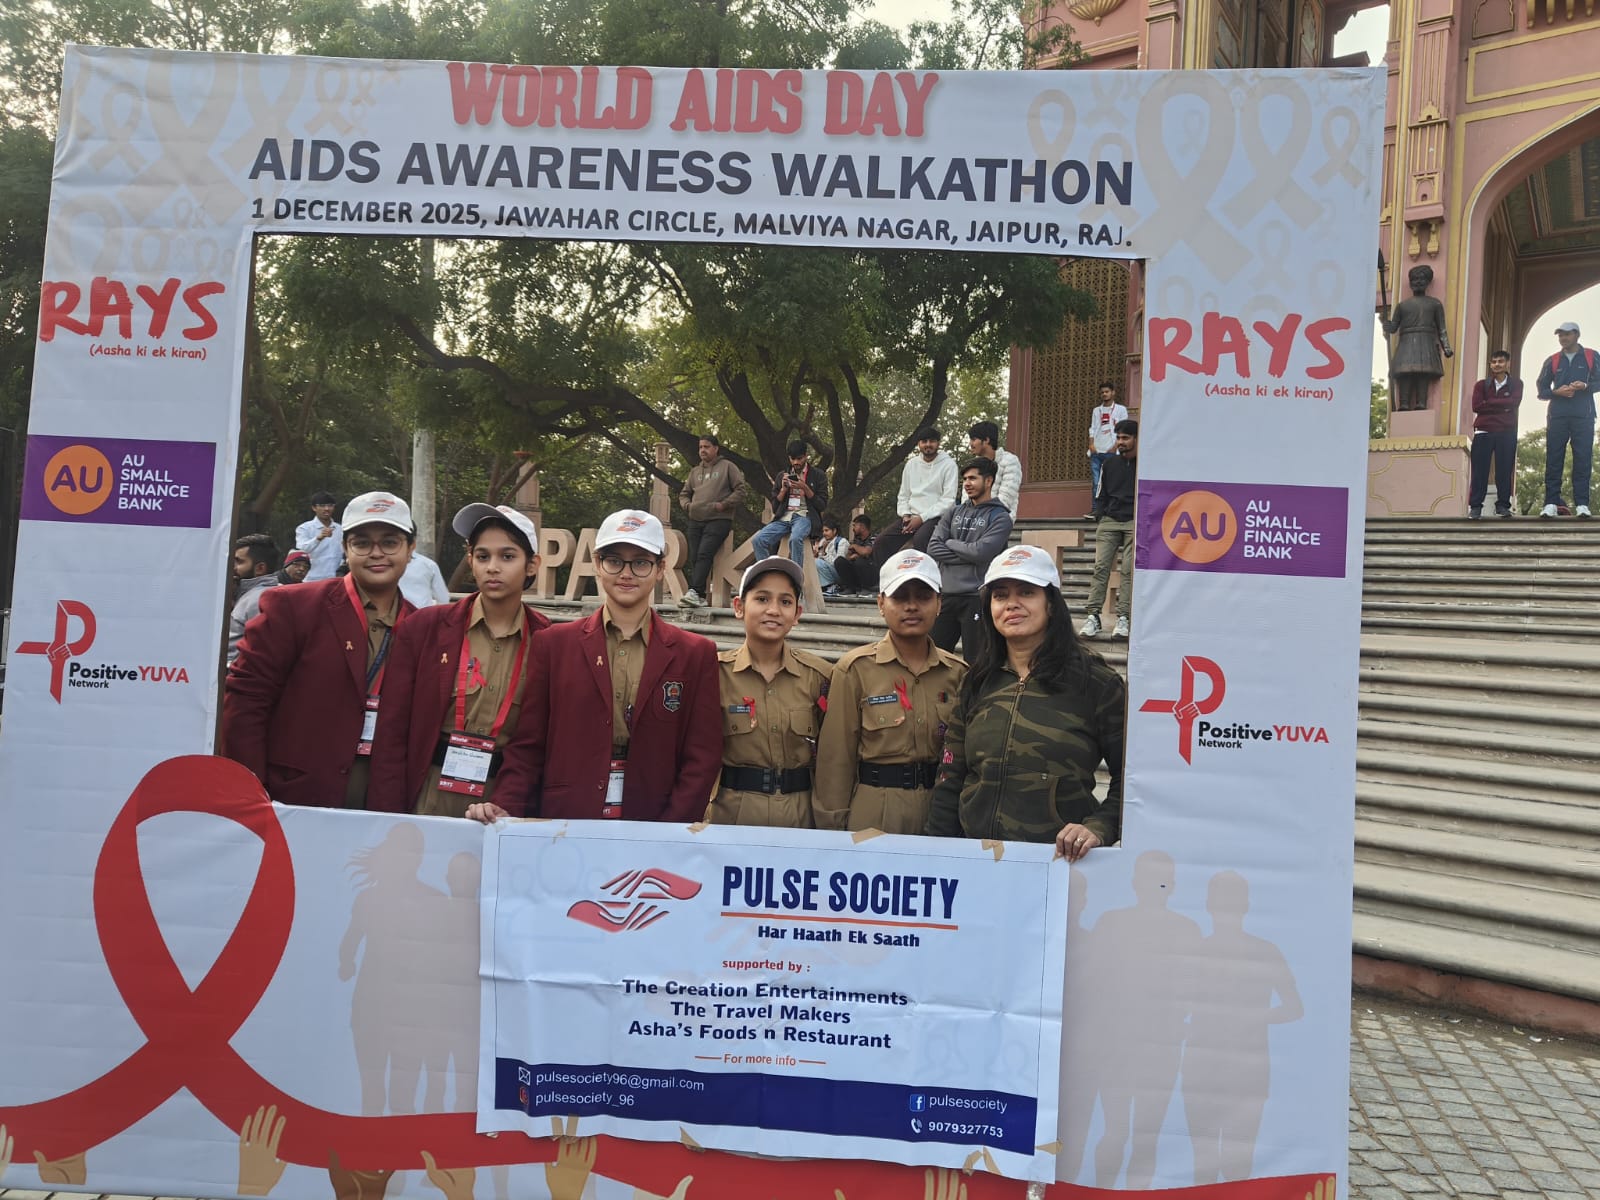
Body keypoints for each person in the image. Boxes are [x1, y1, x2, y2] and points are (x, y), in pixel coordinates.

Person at [473, 510, 721, 822]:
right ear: (597, 564)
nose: (626, 574)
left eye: (641, 563)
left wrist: (670, 831)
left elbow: (702, 757)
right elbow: (529, 745)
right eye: (614, 561)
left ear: (660, 569)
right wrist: (506, 805)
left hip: (653, 818)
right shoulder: (554, 645)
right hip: (567, 820)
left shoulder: (695, 653)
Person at [924, 544, 1123, 858]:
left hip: (1056, 865)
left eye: (1027, 592)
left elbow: (1132, 780)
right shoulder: (977, 681)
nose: (1011, 604)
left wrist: (1100, 827)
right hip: (976, 858)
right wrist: (935, 850)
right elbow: (951, 774)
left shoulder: (1096, 683)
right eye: (1000, 595)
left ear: (1051, 604)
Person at [223, 492, 418, 808]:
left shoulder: (422, 626)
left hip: (383, 807)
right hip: (294, 801)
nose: (376, 553)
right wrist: (251, 791)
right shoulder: (294, 606)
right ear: (345, 548)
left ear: (410, 549)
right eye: (362, 543)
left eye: (390, 542)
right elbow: (246, 701)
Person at [367, 504, 552, 817]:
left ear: (532, 565)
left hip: (499, 804)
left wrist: (506, 806)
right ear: (471, 561)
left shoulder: (547, 640)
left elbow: (534, 743)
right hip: (425, 796)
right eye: (483, 556)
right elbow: (392, 730)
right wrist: (389, 815)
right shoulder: (425, 628)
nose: (493, 567)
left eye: (507, 557)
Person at [812, 551, 966, 834]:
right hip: (875, 810)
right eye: (900, 597)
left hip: (940, 809)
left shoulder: (957, 673)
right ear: (881, 604)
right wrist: (832, 829)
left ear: (939, 604)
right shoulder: (855, 669)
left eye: (923, 597)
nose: (912, 606)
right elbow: (835, 759)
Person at [711, 556, 833, 827]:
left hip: (800, 813)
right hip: (732, 814)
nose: (774, 610)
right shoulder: (715, 674)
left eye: (785, 602)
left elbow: (834, 756)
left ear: (797, 614)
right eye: (762, 599)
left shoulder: (820, 677)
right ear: (739, 607)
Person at [928, 457, 1014, 654]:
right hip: (946, 594)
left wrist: (951, 543)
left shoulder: (1001, 518)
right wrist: (970, 554)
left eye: (973, 478)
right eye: (965, 479)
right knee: (933, 658)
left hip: (977, 597)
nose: (967, 483)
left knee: (976, 660)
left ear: (989, 481)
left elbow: (982, 552)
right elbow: (933, 547)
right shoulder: (952, 512)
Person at [678, 433, 750, 608]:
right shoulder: (695, 472)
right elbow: (684, 493)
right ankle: (700, 596)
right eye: (700, 447)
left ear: (716, 449)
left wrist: (724, 504)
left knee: (704, 553)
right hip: (696, 519)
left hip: (719, 519)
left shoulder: (727, 467)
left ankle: (694, 592)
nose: (702, 450)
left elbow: (741, 490)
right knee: (695, 556)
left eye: (706, 447)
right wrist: (688, 506)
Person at [1082, 419, 1137, 640]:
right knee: (1101, 568)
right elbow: (1101, 493)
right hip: (1109, 520)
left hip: (1134, 521)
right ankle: (1093, 616)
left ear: (1136, 439)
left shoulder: (1146, 464)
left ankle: (1123, 617)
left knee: (1128, 571)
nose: (1121, 442)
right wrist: (1100, 514)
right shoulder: (1110, 464)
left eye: (1126, 438)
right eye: (1119, 438)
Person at [871, 428, 959, 565]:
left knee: (921, 539)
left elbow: (948, 500)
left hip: (936, 517)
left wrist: (922, 518)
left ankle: (925, 576)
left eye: (932, 441)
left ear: (938, 443)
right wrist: (905, 515)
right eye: (924, 441)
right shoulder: (911, 464)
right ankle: (884, 576)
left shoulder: (949, 465)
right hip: (911, 516)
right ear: (919, 444)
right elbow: (904, 495)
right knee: (881, 541)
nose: (928, 444)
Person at [1536, 320, 1596, 518]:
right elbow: (1542, 390)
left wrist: (1585, 386)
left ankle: (1582, 504)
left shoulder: (1591, 356)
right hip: (1558, 416)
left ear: (1577, 335)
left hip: (1584, 416)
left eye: (1567, 334)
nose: (1563, 338)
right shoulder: (1552, 360)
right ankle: (1551, 503)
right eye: (1560, 335)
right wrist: (1556, 392)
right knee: (1554, 460)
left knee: (1583, 460)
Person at [1383, 264, 1452, 412]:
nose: (1418, 282)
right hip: (1407, 341)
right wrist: (1387, 325)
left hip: (1425, 340)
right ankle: (1404, 403)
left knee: (1423, 373)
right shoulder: (1402, 306)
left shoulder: (1435, 304)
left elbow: (1442, 328)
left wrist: (1446, 347)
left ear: (1427, 282)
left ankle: (1421, 402)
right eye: (1414, 279)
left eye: (1421, 279)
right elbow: (1393, 327)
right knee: (1405, 372)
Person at [228, 547, 311, 667]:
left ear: (260, 568)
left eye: (239, 562)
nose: (301, 569)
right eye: (297, 565)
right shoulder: (241, 592)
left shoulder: (265, 598)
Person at [751, 441, 828, 563]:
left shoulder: (818, 475)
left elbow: (822, 505)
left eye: (799, 458)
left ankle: (796, 574)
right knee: (758, 540)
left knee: (795, 539)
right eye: (793, 459)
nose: (796, 462)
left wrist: (805, 488)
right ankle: (768, 571)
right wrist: (783, 490)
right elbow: (775, 508)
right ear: (789, 458)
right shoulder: (782, 476)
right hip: (784, 517)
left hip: (804, 516)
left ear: (806, 456)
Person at [1467, 349, 1521, 520]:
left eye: (1501, 361)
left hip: (1506, 432)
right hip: (1483, 431)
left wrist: (1489, 403)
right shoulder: (1481, 385)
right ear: (1490, 364)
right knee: (1479, 471)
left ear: (1507, 364)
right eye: (1494, 362)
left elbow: (1514, 403)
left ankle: (1503, 506)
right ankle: (1475, 507)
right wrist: (1502, 406)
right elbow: (1476, 406)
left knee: (1504, 471)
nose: (1497, 364)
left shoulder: (1516, 384)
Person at [968, 420, 1022, 513]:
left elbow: (1006, 498)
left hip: (999, 518)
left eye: (973, 439)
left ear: (986, 440)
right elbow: (967, 498)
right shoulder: (973, 465)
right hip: (973, 518)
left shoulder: (1010, 461)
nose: (970, 444)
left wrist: (984, 516)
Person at [1088, 382, 1129, 501]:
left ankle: (1110, 508)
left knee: (1112, 482)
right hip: (1097, 451)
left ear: (1113, 392)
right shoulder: (1097, 410)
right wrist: (1091, 445)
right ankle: (1096, 509)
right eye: (1102, 392)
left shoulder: (1121, 410)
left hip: (1112, 452)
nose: (1104, 394)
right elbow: (1092, 428)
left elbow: (1123, 429)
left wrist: (1116, 446)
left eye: (1107, 392)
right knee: (1096, 483)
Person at [296, 490, 345, 581]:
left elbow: (344, 552)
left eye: (330, 505)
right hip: (312, 579)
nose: (326, 509)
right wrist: (318, 538)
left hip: (335, 579)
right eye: (322, 506)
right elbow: (301, 550)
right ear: (314, 508)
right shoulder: (304, 528)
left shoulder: (340, 529)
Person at [832, 513, 877, 594]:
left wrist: (855, 548)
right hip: (857, 571)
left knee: (860, 561)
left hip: (871, 573)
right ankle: (851, 588)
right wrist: (852, 556)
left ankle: (866, 588)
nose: (853, 528)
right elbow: (848, 556)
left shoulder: (873, 538)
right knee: (839, 561)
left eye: (854, 525)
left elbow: (866, 552)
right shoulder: (857, 540)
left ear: (862, 527)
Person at [812, 514, 850, 594]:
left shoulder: (842, 542)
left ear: (834, 531)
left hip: (839, 574)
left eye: (827, 530)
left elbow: (839, 564)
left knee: (817, 562)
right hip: (827, 572)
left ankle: (831, 586)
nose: (824, 533)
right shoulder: (823, 541)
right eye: (823, 531)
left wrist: (824, 553)